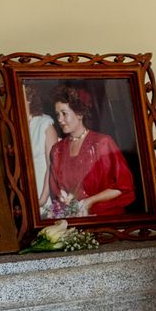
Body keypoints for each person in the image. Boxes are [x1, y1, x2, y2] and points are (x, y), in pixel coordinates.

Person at [47, 84, 135, 217]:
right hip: (75, 222)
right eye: (57, 114)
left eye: (64, 113)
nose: (60, 119)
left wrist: (90, 201)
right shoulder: (57, 150)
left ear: (80, 114)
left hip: (106, 218)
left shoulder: (102, 143)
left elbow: (123, 188)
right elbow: (58, 191)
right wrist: (65, 202)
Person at [24, 84, 58, 207]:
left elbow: (52, 166)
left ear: (29, 99)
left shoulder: (45, 124)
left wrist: (43, 199)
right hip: (26, 192)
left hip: (44, 193)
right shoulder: (18, 126)